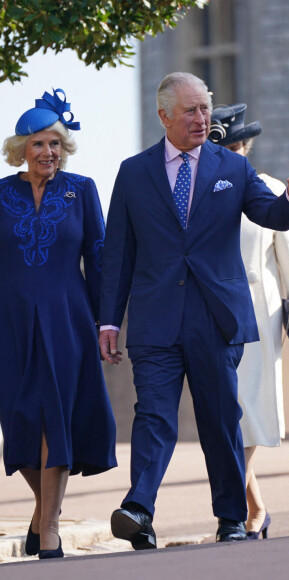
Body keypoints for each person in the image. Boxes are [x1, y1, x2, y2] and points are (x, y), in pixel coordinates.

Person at [99, 72, 289, 548]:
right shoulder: (133, 172)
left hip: (217, 318)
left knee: (219, 419)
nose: (202, 118)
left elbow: (271, 215)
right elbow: (118, 253)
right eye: (191, 110)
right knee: (153, 416)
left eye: (205, 108)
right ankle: (139, 510)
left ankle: (232, 517)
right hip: (155, 319)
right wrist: (109, 320)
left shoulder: (231, 168)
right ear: (164, 116)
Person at [0, 89, 117, 559]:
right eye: (38, 144)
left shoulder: (81, 190)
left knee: (56, 422)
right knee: (19, 420)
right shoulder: (1, 193)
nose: (48, 152)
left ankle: (49, 527)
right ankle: (41, 509)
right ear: (21, 150)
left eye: (55, 144)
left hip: (67, 319)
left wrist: (106, 321)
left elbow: (100, 258)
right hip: (9, 321)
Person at [209, 103, 289, 539]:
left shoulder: (272, 188)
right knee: (224, 415)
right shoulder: (199, 190)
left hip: (259, 313)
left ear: (246, 146)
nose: (231, 154)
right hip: (211, 314)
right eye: (223, 147)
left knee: (247, 412)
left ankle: (234, 512)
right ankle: (253, 509)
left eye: (236, 146)